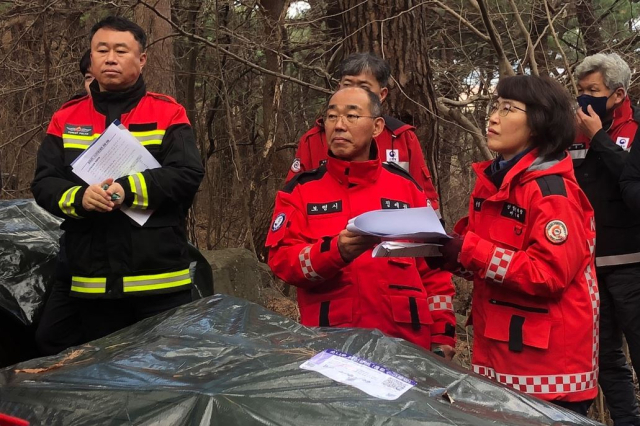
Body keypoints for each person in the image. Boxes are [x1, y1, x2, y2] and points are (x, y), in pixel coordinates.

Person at [31, 16, 204, 342]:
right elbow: (44, 182)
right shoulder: (66, 117)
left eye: (121, 50)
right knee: (104, 382)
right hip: (92, 284)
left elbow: (187, 174)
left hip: (160, 281)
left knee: (163, 379)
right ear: (91, 58)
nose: (110, 58)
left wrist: (127, 189)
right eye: (102, 50)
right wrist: (80, 199)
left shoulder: (167, 112)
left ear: (141, 60)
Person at [433, 76, 598, 415]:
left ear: (539, 123)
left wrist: (469, 251)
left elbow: (547, 274)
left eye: (508, 109)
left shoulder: (552, 193)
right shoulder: (495, 184)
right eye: (494, 106)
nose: (492, 117)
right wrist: (447, 253)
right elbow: (494, 263)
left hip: (548, 368)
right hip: (501, 355)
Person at [267, 86, 456, 357]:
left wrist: (442, 335)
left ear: (377, 126)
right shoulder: (300, 190)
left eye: (351, 116)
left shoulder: (406, 188)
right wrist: (336, 251)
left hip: (405, 345)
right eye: (332, 117)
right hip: (331, 344)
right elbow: (283, 263)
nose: (339, 125)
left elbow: (434, 269)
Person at [570, 53, 640, 426]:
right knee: (607, 359)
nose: (584, 99)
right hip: (588, 266)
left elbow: (631, 182)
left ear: (617, 94)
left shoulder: (637, 128)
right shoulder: (573, 132)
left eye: (592, 91)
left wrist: (599, 138)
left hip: (632, 263)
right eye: (580, 91)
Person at [286, 53, 442, 216]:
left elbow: (426, 202)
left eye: (364, 87)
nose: (353, 93)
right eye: (347, 85)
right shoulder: (315, 139)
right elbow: (291, 201)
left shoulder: (401, 137)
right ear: (339, 88)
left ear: (381, 95)